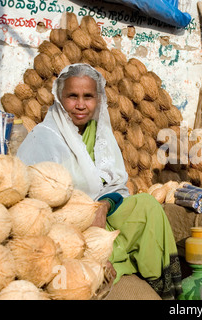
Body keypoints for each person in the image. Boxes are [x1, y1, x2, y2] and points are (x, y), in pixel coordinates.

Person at [16, 63, 182, 300]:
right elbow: (32, 208)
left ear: (98, 99)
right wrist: (84, 222)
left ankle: (163, 288)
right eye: (72, 96)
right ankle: (100, 263)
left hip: (100, 220)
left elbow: (116, 187)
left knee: (147, 205)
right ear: (59, 97)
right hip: (64, 229)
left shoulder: (100, 134)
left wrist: (102, 207)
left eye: (88, 97)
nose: (81, 105)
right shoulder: (42, 139)